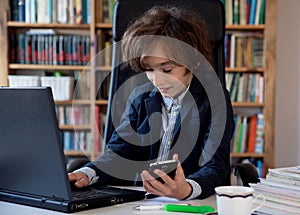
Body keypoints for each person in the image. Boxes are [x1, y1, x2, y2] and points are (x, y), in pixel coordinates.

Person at [68, 5, 234, 200]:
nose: (157, 81)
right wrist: (87, 173)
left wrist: (187, 189)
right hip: (141, 203)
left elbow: (215, 166)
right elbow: (119, 153)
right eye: (149, 69)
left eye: (167, 70)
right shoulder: (140, 97)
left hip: (191, 204)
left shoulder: (216, 99)